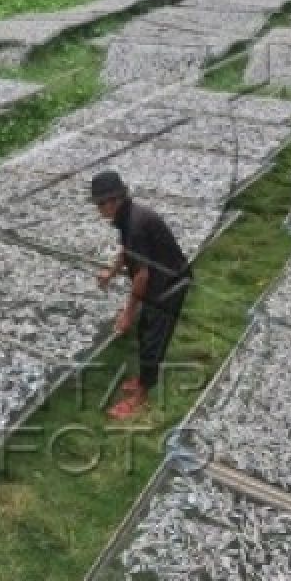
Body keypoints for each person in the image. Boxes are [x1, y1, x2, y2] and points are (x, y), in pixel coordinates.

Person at [91, 171, 192, 420]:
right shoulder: (127, 216)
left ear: (112, 201)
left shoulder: (135, 223)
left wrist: (128, 313)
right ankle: (143, 379)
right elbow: (129, 252)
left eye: (98, 204)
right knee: (146, 330)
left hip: (170, 283)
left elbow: (141, 276)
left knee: (152, 338)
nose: (97, 210)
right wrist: (111, 272)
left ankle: (141, 396)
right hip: (161, 277)